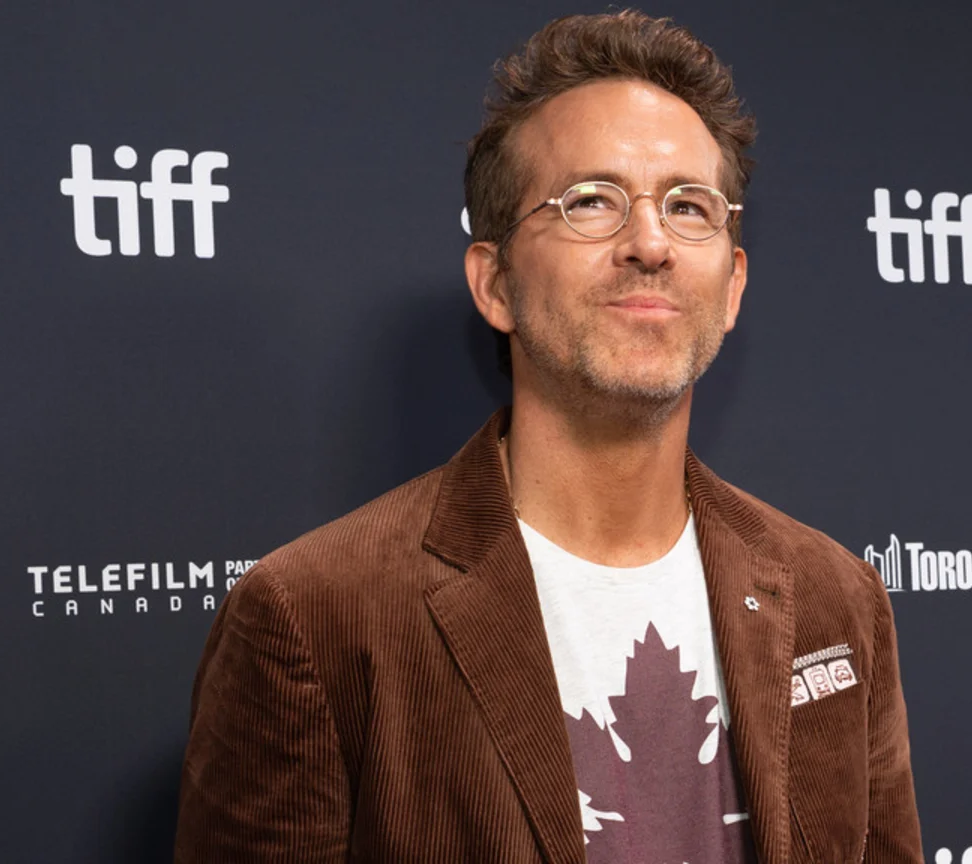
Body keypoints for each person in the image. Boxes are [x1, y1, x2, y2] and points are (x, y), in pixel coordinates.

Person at [174, 10, 922, 863]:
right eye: (592, 202)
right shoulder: (312, 617)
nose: (650, 243)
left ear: (734, 284)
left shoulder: (838, 598)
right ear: (494, 284)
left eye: (689, 206)